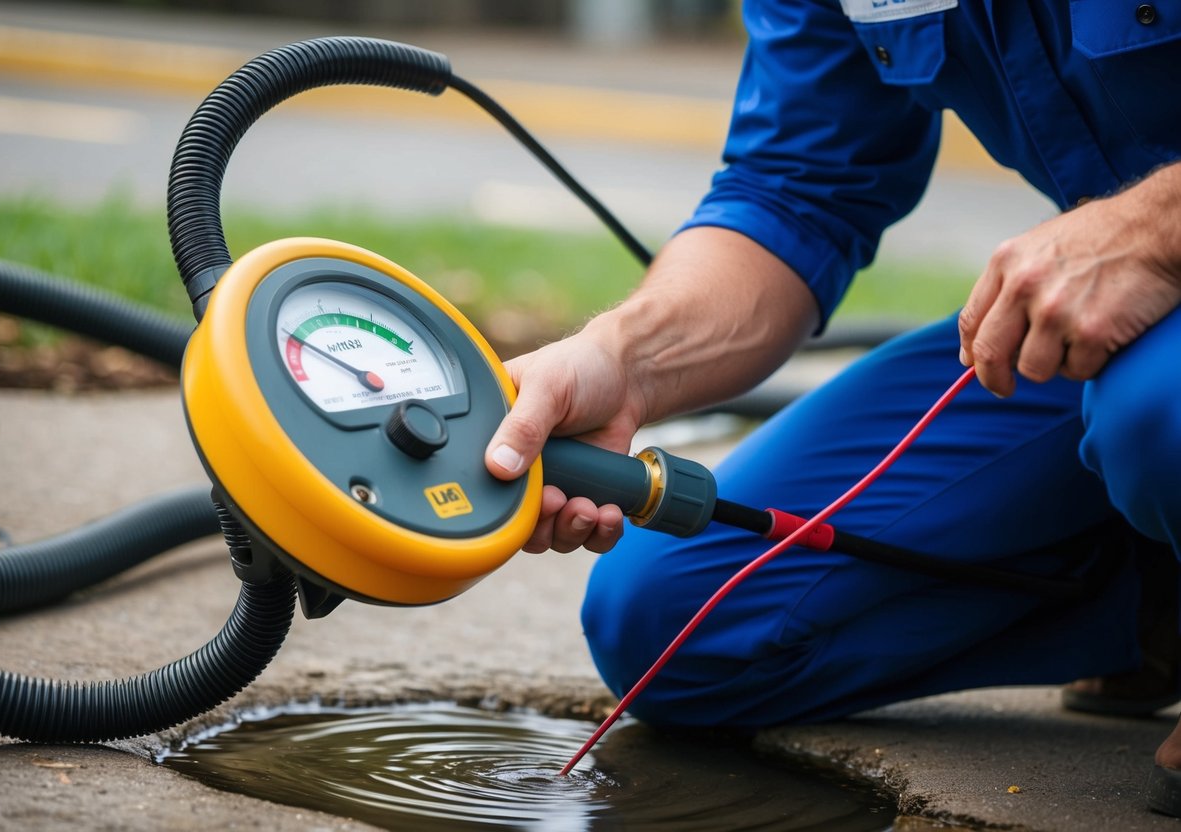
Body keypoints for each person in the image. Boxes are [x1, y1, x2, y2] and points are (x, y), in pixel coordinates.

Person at [484, 0, 1181, 814]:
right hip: (1112, 326)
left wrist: (1153, 227)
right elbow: (796, 190)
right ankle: (1158, 596)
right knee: (673, 626)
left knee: (1158, 418)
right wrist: (621, 358)